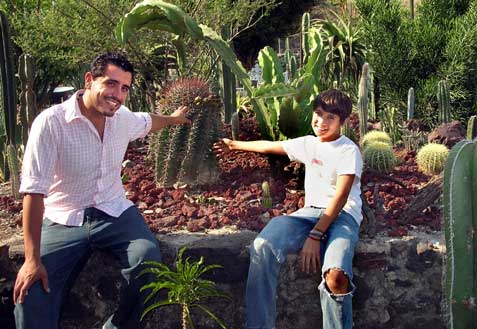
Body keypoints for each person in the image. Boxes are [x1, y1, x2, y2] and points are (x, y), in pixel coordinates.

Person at [13, 52, 191, 329]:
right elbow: (34, 193)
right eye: (110, 83)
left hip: (113, 211)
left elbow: (149, 121)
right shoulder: (51, 123)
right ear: (89, 80)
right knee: (31, 292)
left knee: (148, 263)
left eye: (124, 88)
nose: (117, 95)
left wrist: (174, 118)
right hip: (64, 218)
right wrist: (32, 259)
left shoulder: (123, 118)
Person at [215, 89, 363, 329]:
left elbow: (341, 196)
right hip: (309, 213)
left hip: (342, 216)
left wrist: (315, 235)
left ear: (342, 122)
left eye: (330, 118)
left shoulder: (349, 151)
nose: (321, 122)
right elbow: (271, 146)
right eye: (318, 114)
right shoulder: (308, 144)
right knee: (262, 246)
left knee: (336, 277)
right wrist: (233, 145)